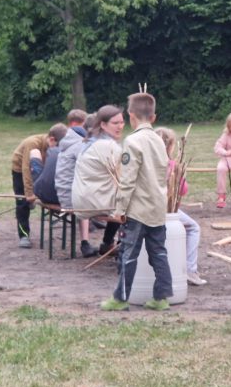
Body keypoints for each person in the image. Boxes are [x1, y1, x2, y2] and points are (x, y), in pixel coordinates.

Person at [101, 92, 173, 311]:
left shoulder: (132, 141)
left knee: (128, 254)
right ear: (153, 117)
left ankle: (120, 298)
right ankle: (161, 297)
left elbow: (128, 179)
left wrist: (120, 209)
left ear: (131, 115)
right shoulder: (159, 140)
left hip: (137, 210)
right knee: (159, 253)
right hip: (157, 208)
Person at [156, 127, 206, 286]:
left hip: (144, 209)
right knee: (193, 228)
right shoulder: (172, 166)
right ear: (170, 146)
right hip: (165, 211)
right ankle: (190, 270)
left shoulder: (146, 164)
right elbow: (183, 190)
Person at [72, 105, 124, 256]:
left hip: (83, 198)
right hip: (93, 201)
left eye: (122, 122)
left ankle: (108, 243)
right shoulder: (107, 145)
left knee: (122, 197)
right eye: (115, 123)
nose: (120, 126)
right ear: (103, 124)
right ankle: (124, 247)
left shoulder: (91, 141)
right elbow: (128, 173)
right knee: (134, 203)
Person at [11, 123, 67, 248]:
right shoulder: (32, 143)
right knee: (22, 203)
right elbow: (26, 170)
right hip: (20, 170)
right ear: (52, 139)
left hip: (40, 165)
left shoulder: (51, 146)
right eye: (58, 145)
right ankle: (24, 235)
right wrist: (29, 194)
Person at [54, 110, 99, 257]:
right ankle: (107, 242)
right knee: (114, 203)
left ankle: (92, 236)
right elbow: (91, 172)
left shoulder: (67, 143)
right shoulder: (80, 146)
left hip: (63, 192)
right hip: (70, 197)